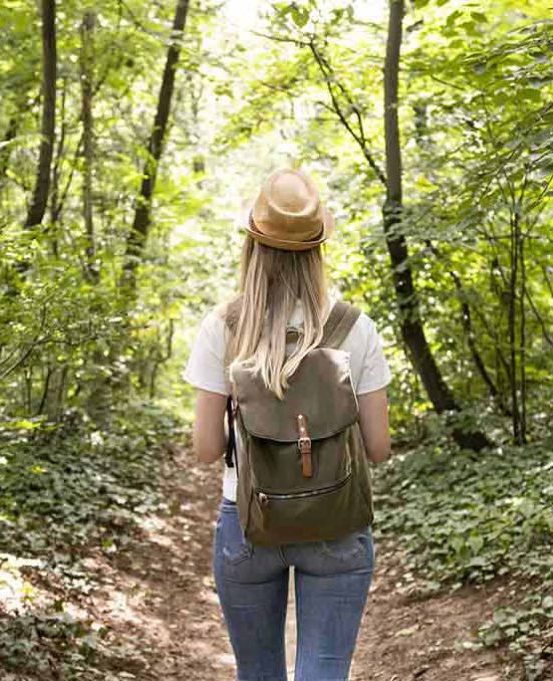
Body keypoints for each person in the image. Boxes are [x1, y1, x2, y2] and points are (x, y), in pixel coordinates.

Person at [182, 167, 393, 680]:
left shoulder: (224, 328)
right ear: (318, 248)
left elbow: (207, 448)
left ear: (253, 247)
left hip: (249, 522)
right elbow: (379, 446)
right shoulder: (354, 328)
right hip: (338, 522)